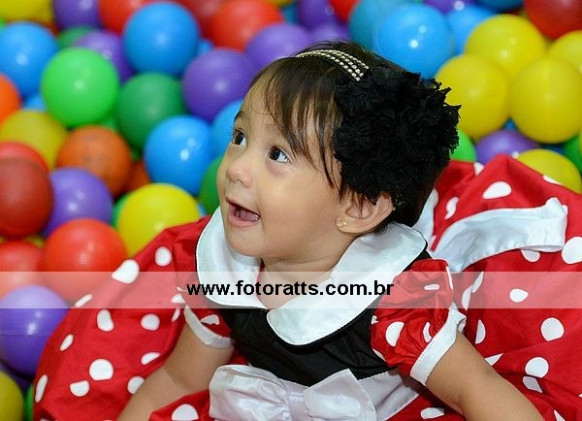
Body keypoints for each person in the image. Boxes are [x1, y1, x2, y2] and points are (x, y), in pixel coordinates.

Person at [34, 41, 543, 420]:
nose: (237, 168)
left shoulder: (393, 298)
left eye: (277, 154)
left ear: (358, 207)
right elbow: (180, 377)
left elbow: (477, 388)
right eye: (239, 136)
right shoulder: (228, 269)